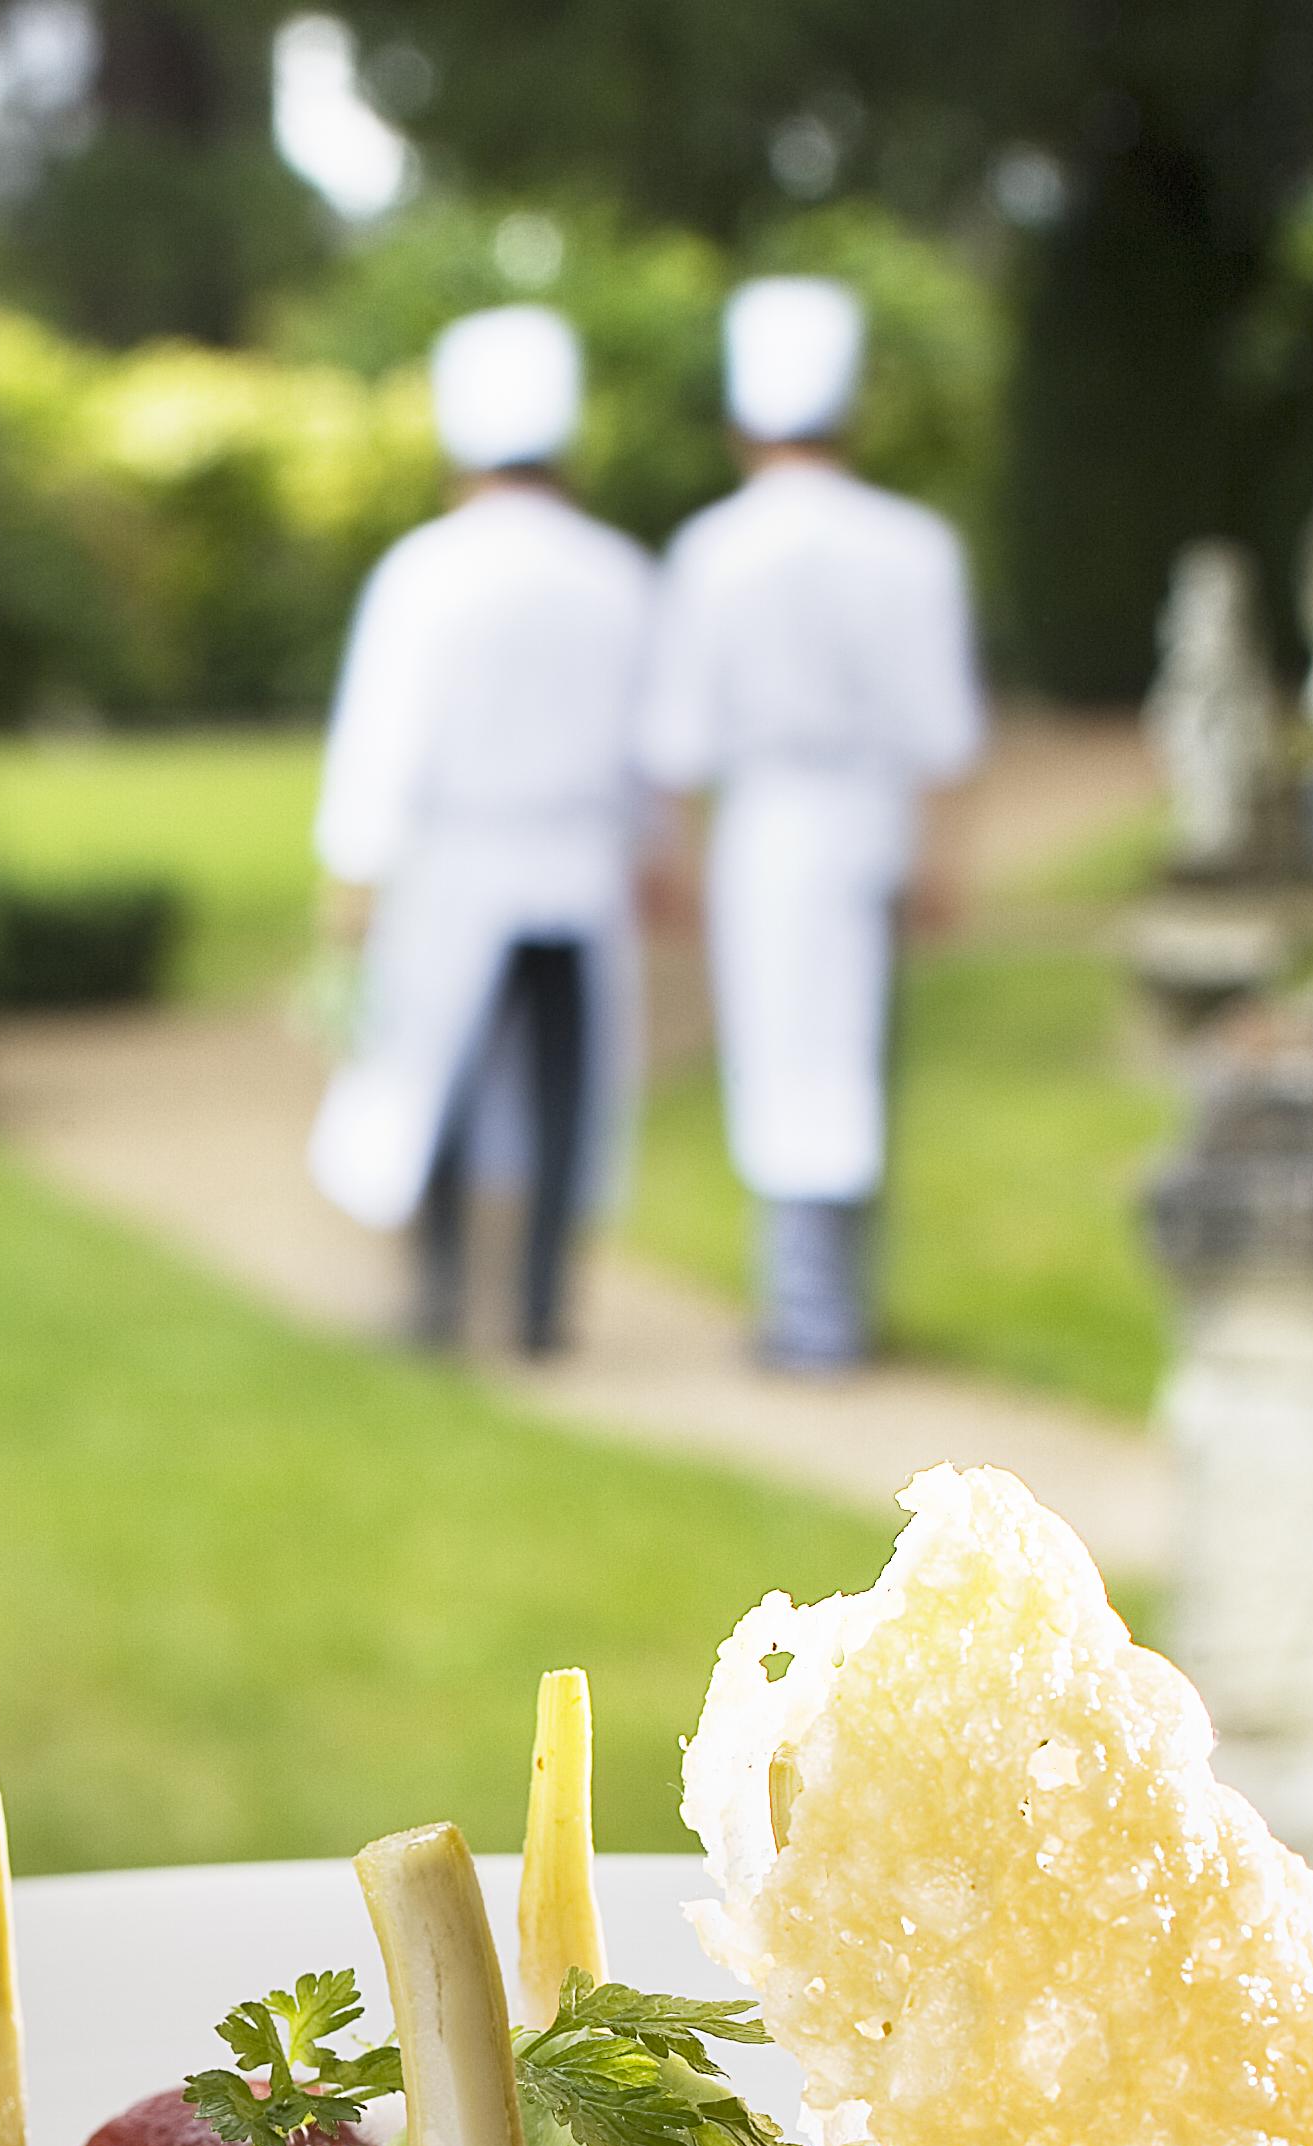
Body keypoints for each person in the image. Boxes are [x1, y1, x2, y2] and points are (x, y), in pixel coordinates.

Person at [639, 276, 984, 1374]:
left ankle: (804, 1305)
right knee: (855, 1061)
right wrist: (943, 859)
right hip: (869, 822)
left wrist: (672, 856)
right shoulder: (912, 544)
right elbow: (944, 728)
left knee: (782, 1060)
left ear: (743, 425)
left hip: (772, 830)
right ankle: (835, 1297)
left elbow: (678, 737)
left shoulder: (712, 550)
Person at [306, 303, 656, 1354]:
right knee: (562, 1093)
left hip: (459, 864)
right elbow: (652, 743)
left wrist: (352, 876)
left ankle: (442, 1292)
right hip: (581, 868)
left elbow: (381, 737)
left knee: (439, 1083)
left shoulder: (427, 571)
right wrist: (656, 852)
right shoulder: (618, 572)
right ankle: (544, 1303)